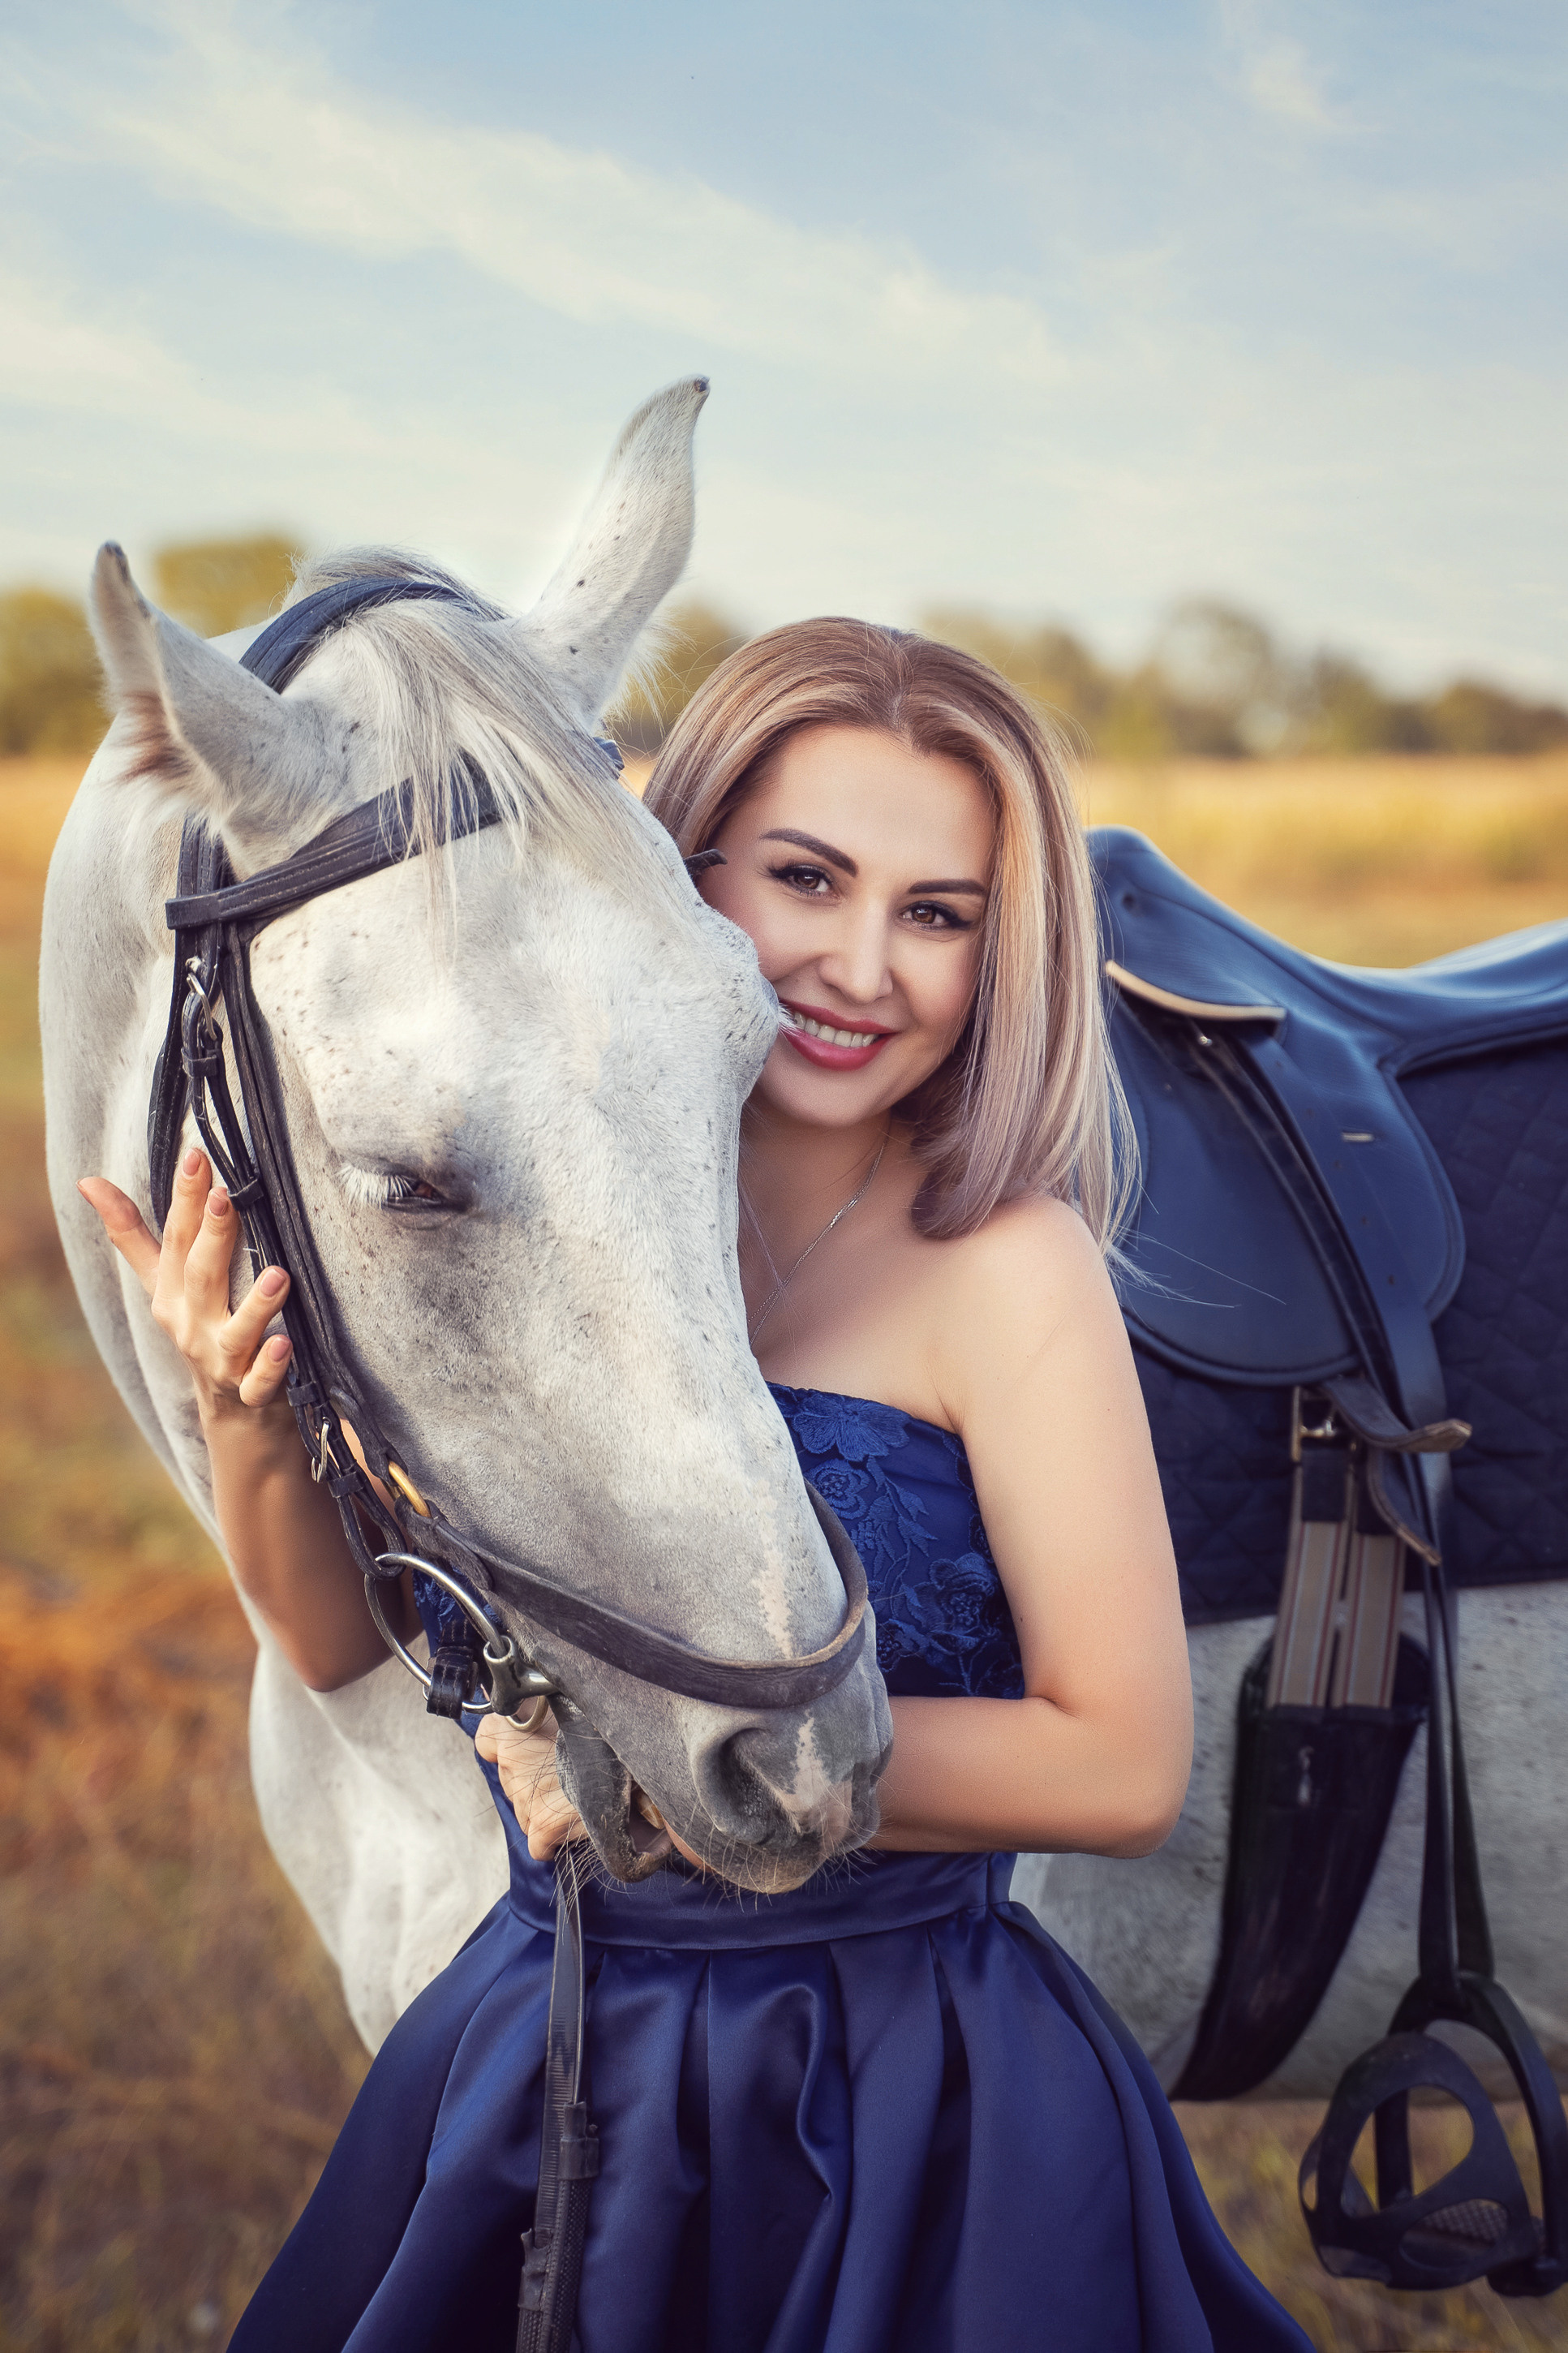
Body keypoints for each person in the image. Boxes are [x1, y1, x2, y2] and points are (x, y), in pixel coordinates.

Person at [82, 620, 1312, 2351]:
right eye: (805, 878)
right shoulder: (559, 1198)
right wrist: (239, 1406)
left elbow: (1118, 1759)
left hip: (891, 2073)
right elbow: (331, 1641)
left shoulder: (998, 1264)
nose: (860, 964)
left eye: (938, 913)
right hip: (554, 2025)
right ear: (678, 859)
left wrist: (644, 1744)